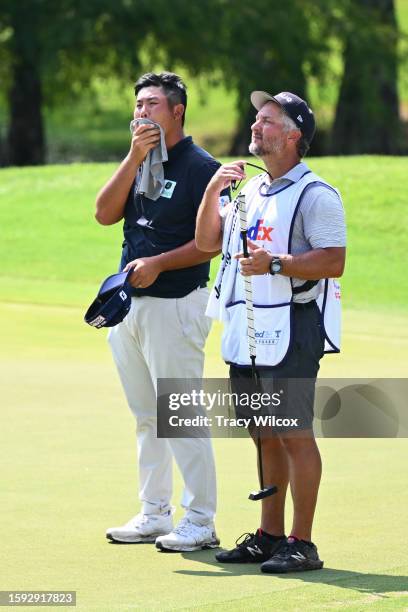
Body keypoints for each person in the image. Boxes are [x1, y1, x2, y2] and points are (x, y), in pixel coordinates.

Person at [196, 90, 346, 572]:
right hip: (249, 326)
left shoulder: (316, 193)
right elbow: (206, 242)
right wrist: (211, 190)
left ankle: (303, 542)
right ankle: (269, 534)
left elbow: (333, 260)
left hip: (294, 326)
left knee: (293, 433)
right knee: (263, 433)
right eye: (256, 119)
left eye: (267, 120)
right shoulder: (249, 191)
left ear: (293, 134)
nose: (256, 126)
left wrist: (276, 263)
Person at [95, 72, 228, 552]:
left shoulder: (201, 167)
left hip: (177, 303)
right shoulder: (140, 160)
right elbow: (104, 213)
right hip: (130, 306)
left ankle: (200, 519)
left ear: (177, 111)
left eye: (152, 104)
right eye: (137, 105)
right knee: (146, 415)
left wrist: (159, 263)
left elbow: (209, 244)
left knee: (179, 413)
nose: (142, 113)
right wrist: (132, 157)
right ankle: (154, 513)